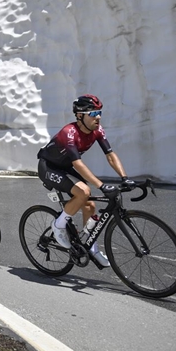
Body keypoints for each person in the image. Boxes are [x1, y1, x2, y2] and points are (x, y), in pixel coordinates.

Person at [37, 94, 135, 267]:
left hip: (65, 167)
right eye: (92, 113)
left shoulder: (98, 130)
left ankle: (92, 248)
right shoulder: (69, 132)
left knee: (89, 205)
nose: (98, 117)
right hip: (49, 167)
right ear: (80, 116)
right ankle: (58, 225)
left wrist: (125, 178)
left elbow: (110, 155)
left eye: (99, 112)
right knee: (84, 191)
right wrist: (101, 185)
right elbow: (78, 163)